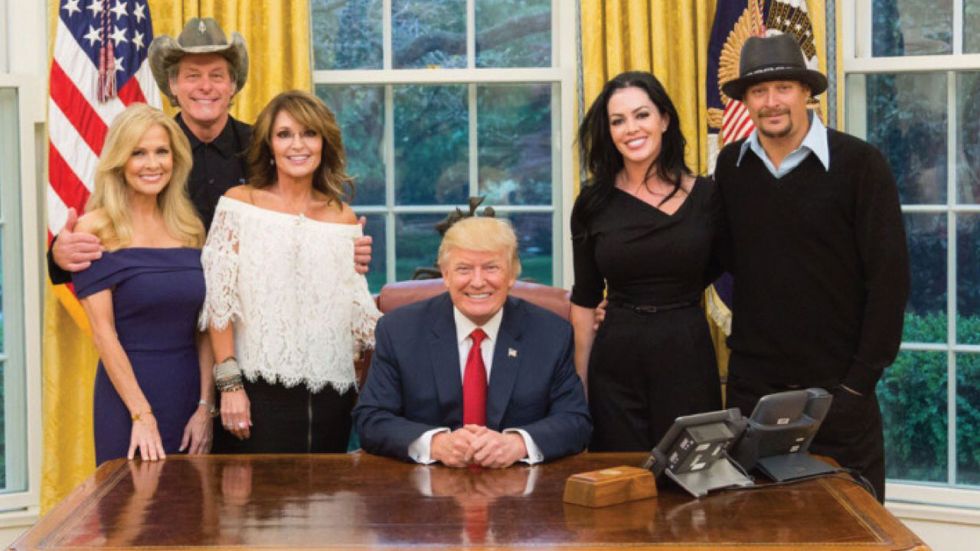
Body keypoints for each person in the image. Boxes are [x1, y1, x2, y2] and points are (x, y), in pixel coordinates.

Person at [715, 33, 910, 501]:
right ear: (746, 101)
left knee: (852, 526)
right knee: (758, 525)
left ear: (806, 91)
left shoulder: (861, 165)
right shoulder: (731, 168)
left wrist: (857, 387)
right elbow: (713, 259)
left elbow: (890, 283)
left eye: (783, 87)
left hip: (838, 394)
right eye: (759, 91)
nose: (771, 102)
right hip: (754, 396)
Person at [48, 17, 373, 282]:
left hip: (250, 308)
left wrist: (340, 243)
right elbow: (111, 214)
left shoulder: (268, 146)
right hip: (169, 303)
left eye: (217, 76)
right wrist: (60, 256)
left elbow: (302, 211)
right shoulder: (150, 151)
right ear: (173, 85)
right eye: (193, 76)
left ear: (233, 85)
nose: (206, 86)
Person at [199, 90, 381, 453]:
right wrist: (230, 386)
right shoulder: (238, 204)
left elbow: (355, 310)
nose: (298, 145)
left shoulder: (342, 216)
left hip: (333, 396)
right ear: (269, 145)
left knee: (327, 490)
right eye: (284, 134)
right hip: (256, 392)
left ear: (324, 143)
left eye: (309, 133)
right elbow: (220, 302)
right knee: (255, 491)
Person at [353, 216, 591, 468]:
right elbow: (371, 419)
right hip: (424, 483)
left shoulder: (551, 334)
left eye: (491, 268)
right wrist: (435, 444)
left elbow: (575, 421)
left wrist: (517, 444)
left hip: (519, 483)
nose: (477, 282)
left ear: (512, 274)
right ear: (446, 275)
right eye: (464, 269)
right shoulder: (399, 331)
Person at [569, 71, 723, 452]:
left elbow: (721, 264)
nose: (631, 129)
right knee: (621, 477)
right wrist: (580, 388)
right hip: (616, 362)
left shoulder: (708, 196)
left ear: (664, 120)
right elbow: (585, 299)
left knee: (692, 474)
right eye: (618, 121)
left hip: (687, 351)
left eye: (642, 115)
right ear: (608, 131)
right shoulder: (592, 203)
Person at [72, 104, 213, 464]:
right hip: (127, 403)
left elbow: (204, 329)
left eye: (161, 152)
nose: (153, 164)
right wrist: (141, 414)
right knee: (132, 500)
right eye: (138, 153)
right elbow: (103, 334)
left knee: (191, 500)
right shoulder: (95, 229)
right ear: (119, 161)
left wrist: (204, 407)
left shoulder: (190, 228)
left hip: (188, 396)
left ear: (175, 159)